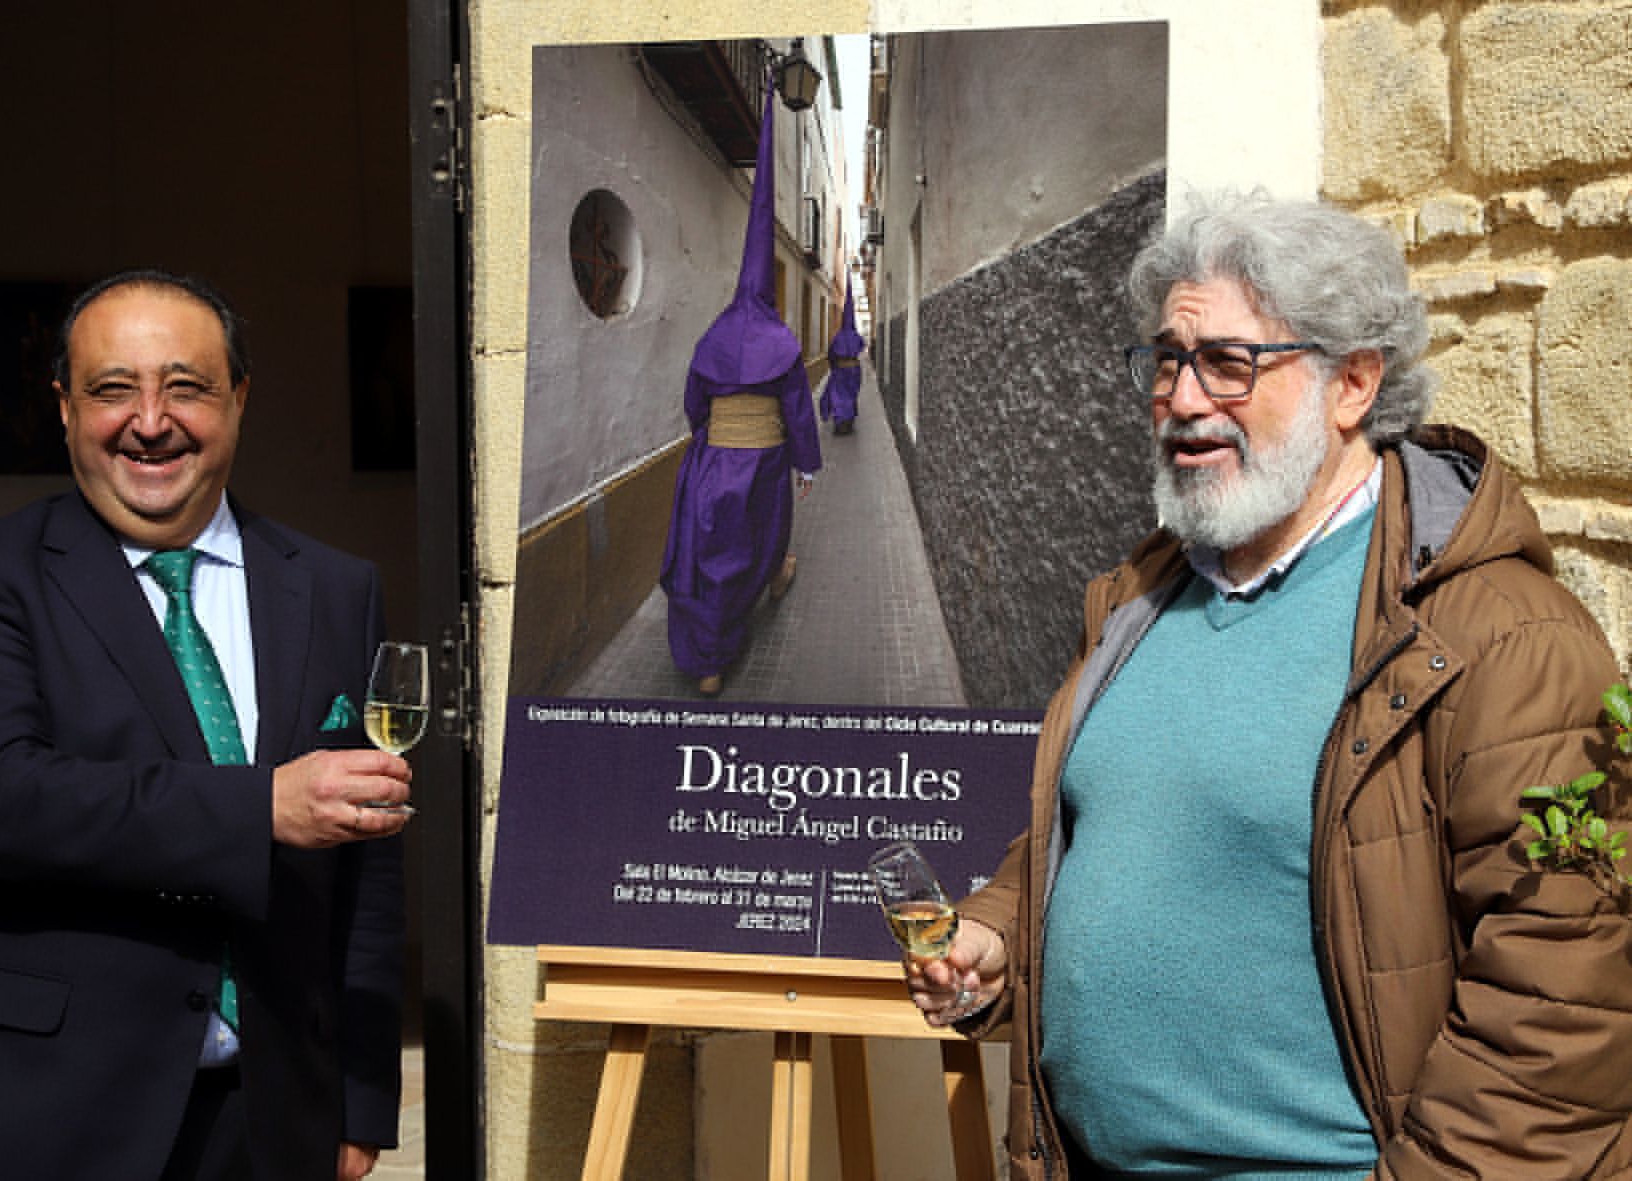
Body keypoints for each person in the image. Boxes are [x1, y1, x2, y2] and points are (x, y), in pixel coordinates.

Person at [905, 194, 1632, 1178]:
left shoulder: (1500, 637)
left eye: (1228, 363)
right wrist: (998, 927)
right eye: (1167, 360)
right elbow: (1113, 823)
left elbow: (1564, 1005)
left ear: (1353, 383)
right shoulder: (1145, 595)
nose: (1183, 399)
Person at [0, 270, 412, 1180]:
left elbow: (367, 864)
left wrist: (362, 1096)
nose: (149, 420)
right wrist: (261, 806)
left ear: (239, 398)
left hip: (271, 1121)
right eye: (112, 389)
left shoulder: (337, 588)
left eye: (186, 387)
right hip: (40, 1115)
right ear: (65, 408)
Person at [660, 93, 821, 698]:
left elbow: (694, 403)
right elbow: (797, 410)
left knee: (712, 556)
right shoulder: (781, 342)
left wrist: (711, 441)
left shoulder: (712, 338)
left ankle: (708, 662)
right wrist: (806, 463)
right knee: (764, 534)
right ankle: (775, 577)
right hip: (766, 460)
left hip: (715, 461)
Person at [819, 275, 865, 434]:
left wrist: (834, 367)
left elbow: (831, 354)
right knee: (851, 396)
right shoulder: (856, 336)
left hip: (840, 371)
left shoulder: (838, 337)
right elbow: (861, 348)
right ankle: (848, 423)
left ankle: (840, 424)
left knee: (839, 397)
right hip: (854, 371)